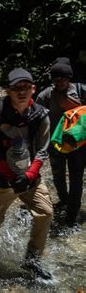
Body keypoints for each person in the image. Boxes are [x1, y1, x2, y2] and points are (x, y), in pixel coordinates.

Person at [0, 68, 53, 280]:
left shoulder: (41, 115)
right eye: (16, 88)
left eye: (26, 87)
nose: (22, 92)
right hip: (0, 178)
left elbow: (42, 150)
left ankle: (31, 260)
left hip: (30, 175)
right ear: (8, 91)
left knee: (45, 212)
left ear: (33, 89)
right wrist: (11, 177)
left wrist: (29, 175)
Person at [36, 59, 85, 228]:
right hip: (55, 144)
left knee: (76, 179)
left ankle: (71, 217)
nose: (59, 83)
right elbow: (35, 118)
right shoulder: (45, 95)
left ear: (69, 78)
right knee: (58, 175)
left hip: (78, 145)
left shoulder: (81, 90)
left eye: (63, 79)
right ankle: (64, 200)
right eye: (56, 80)